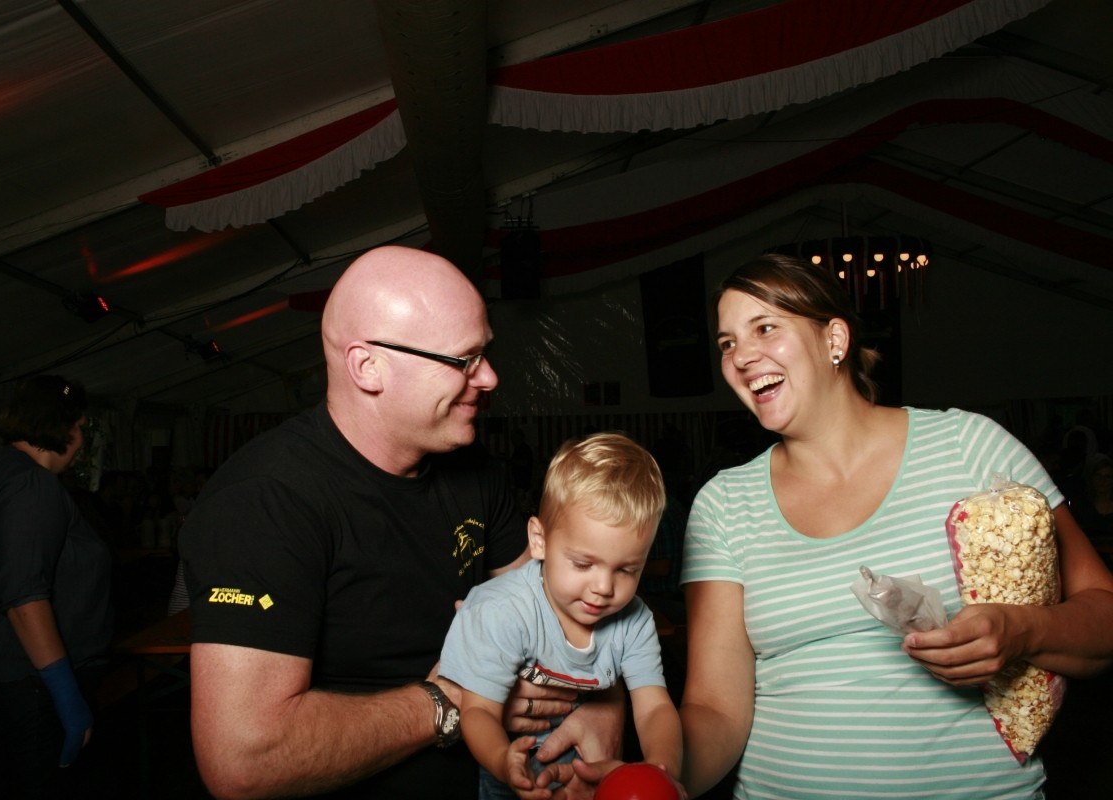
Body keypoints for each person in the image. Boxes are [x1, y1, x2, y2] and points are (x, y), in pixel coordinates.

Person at [182, 245, 622, 800]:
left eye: (484, 353)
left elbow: (559, 609)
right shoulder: (265, 501)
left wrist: (604, 705)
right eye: (463, 360)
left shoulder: (471, 468)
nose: (489, 377)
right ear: (368, 367)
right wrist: (448, 701)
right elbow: (242, 759)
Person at [679, 254, 1113, 799]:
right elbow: (716, 708)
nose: (741, 357)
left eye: (764, 328)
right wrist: (654, 776)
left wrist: (1021, 631)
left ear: (834, 339)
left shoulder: (969, 448)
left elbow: (1104, 616)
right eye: (727, 343)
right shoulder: (724, 503)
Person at [440, 433, 682, 800]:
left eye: (626, 570)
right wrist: (504, 762)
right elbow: (478, 712)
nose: (603, 587)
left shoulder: (634, 621)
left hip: (584, 766)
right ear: (539, 540)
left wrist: (662, 773)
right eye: (583, 564)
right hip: (506, 763)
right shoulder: (503, 611)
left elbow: (655, 709)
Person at [0, 374, 114, 799]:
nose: (81, 439)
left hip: (8, 682)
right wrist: (67, 699)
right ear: (66, 427)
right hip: (32, 688)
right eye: (81, 426)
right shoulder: (29, 484)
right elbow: (24, 598)